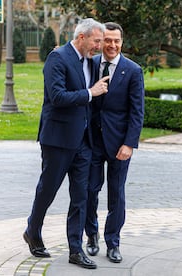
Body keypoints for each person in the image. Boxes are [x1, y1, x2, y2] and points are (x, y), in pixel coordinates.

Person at [23, 18, 110, 270]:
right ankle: (33, 230)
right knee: (47, 190)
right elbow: (57, 96)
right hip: (58, 140)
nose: (99, 46)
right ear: (81, 37)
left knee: (80, 196)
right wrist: (89, 93)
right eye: (96, 41)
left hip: (83, 141)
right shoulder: (57, 58)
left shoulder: (91, 62)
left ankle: (75, 249)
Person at [85, 22, 145, 263]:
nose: (111, 45)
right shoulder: (89, 65)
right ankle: (91, 236)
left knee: (116, 194)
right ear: (100, 42)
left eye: (115, 41)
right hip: (92, 141)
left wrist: (129, 144)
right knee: (89, 190)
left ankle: (113, 242)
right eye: (106, 40)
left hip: (120, 143)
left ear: (122, 42)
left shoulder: (132, 70)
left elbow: (137, 111)